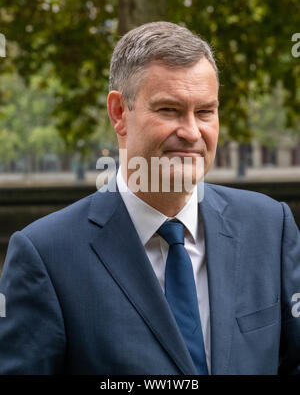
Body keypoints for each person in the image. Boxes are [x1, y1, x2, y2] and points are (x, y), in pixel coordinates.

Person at [0, 21, 300, 375]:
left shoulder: (269, 227)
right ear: (119, 113)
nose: (191, 132)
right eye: (169, 110)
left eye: (205, 111)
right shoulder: (46, 256)